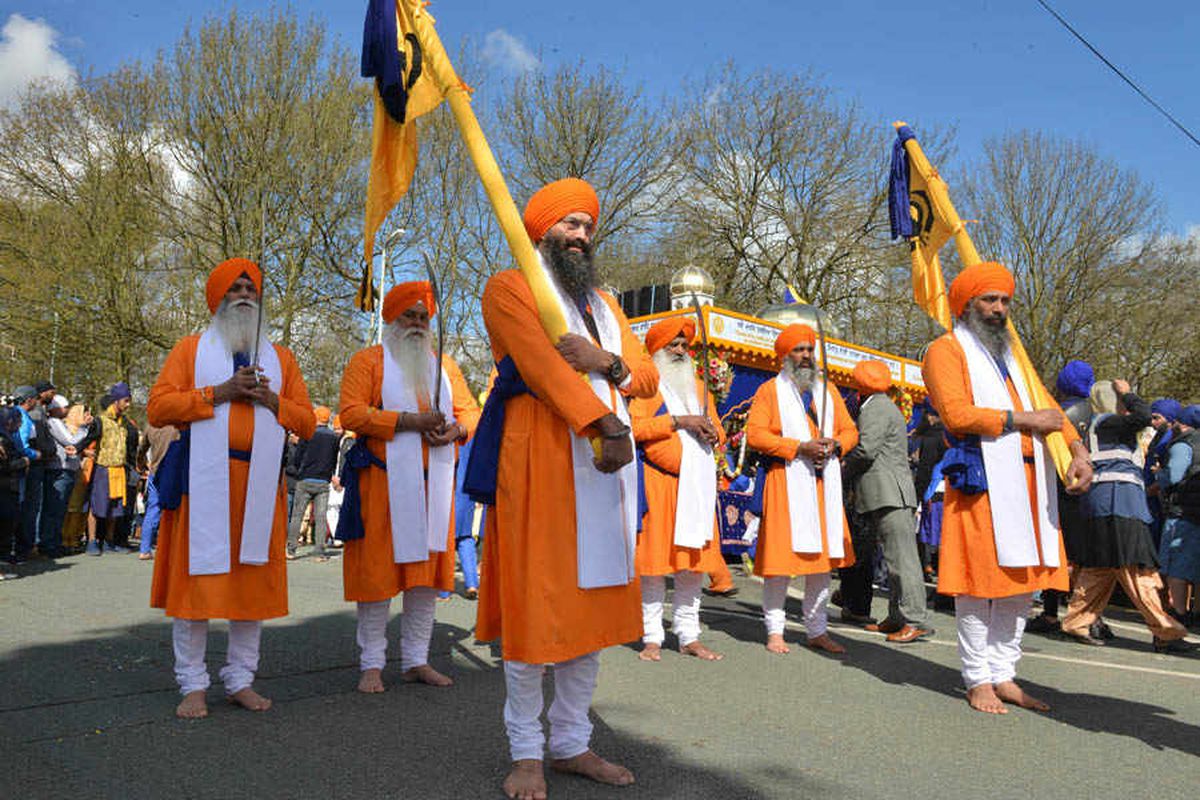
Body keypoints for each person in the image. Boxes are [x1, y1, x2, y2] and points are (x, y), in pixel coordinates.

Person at [473, 178, 657, 799]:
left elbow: (647, 373)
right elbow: (540, 365)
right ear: (540, 230)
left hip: (610, 465)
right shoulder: (509, 286)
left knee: (592, 609)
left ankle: (572, 743)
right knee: (537, 605)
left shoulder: (605, 304)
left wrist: (607, 363)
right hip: (540, 459)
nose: (581, 235)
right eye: (569, 225)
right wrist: (603, 421)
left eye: (587, 225)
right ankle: (526, 752)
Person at [921, 261, 1092, 715]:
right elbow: (956, 414)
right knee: (979, 585)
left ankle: (1004, 674)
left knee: (1022, 584)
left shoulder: (1015, 357)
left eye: (1004, 301)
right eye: (989, 300)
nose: (999, 309)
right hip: (983, 481)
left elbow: (1049, 407)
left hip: (1034, 487)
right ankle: (977, 679)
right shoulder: (945, 350)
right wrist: (1024, 421)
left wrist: (1077, 451)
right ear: (966, 305)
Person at [147, 258, 315, 719]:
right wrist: (217, 393)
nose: (245, 293)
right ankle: (193, 684)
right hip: (202, 483)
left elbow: (308, 420)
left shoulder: (281, 359)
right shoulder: (190, 349)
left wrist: (272, 399)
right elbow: (158, 407)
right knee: (196, 588)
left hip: (258, 486)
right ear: (219, 300)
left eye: (252, 288)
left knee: (250, 590)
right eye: (236, 288)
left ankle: (240, 679)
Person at [337, 281, 480, 692]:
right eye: (409, 316)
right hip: (381, 483)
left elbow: (470, 409)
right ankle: (371, 664)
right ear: (392, 320)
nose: (417, 323)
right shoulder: (369, 361)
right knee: (378, 578)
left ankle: (417, 659)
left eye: (423, 317)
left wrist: (456, 429)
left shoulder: (445, 366)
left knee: (424, 578)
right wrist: (405, 421)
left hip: (434, 485)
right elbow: (350, 413)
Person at [745, 323, 858, 656]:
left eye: (809, 349)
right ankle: (775, 631)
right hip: (786, 482)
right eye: (799, 350)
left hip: (825, 484)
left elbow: (851, 431)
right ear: (785, 356)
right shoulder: (769, 390)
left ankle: (817, 630)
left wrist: (836, 444)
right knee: (780, 564)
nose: (806, 356)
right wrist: (798, 447)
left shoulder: (829, 390)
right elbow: (756, 435)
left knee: (822, 566)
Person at [1058, 380, 1187, 651]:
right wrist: (1128, 392)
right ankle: (1166, 631)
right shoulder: (1109, 423)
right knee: (1138, 568)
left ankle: (1076, 621)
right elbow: (1143, 416)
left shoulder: (1097, 426)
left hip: (1104, 503)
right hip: (1119, 503)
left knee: (1100, 569)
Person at [630, 317, 725, 662]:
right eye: (674, 345)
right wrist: (680, 422)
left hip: (696, 485)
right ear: (657, 350)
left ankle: (689, 636)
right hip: (659, 485)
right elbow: (634, 428)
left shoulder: (699, 388)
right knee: (655, 566)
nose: (681, 351)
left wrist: (715, 434)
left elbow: (718, 429)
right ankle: (652, 636)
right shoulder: (647, 386)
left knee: (692, 567)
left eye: (685, 346)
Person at [842, 360, 932, 642]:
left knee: (902, 560)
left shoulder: (875, 408)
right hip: (888, 493)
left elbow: (866, 450)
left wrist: (843, 465)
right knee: (894, 559)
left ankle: (915, 619)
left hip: (889, 493)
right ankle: (896, 617)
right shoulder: (882, 405)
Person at [1158, 404, 1200, 626]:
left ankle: (1178, 613)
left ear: (1181, 423)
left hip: (1182, 512)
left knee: (1177, 568)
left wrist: (1159, 475)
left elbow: (1173, 476)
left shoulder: (1183, 445)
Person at [286, 406, 341, 560]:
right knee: (321, 517)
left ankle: (291, 550)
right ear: (328, 419)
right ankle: (319, 553)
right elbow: (333, 457)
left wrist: (299, 470)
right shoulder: (334, 438)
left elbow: (298, 457)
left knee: (297, 515)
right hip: (323, 481)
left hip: (305, 479)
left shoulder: (307, 433)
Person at [86, 383, 134, 555]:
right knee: (97, 504)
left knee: (116, 507)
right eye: (126, 401)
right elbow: (89, 438)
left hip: (119, 469)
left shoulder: (124, 423)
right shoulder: (101, 420)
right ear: (116, 400)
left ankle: (108, 540)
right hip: (103, 468)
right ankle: (92, 541)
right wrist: (76, 448)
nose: (128, 405)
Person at [40, 395, 91, 559]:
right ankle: (49, 544)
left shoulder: (59, 423)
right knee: (55, 509)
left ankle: (55, 542)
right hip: (59, 469)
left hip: (66, 469)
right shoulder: (54, 423)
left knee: (59, 509)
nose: (67, 410)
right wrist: (84, 428)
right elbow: (70, 440)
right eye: (64, 407)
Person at [137, 422, 179, 560]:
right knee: (175, 511)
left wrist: (141, 463)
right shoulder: (178, 424)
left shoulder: (152, 425)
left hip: (155, 471)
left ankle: (144, 549)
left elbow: (142, 449)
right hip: (173, 471)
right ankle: (172, 549)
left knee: (152, 509)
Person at [12, 387, 42, 562]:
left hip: (20, 467)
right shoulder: (22, 417)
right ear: (29, 400)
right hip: (21, 468)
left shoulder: (19, 415)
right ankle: (18, 549)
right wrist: (34, 454)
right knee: (21, 507)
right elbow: (21, 445)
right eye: (34, 399)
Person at [0, 406, 31, 573]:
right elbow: (4, 466)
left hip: (9, 487)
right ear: (10, 421)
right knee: (5, 526)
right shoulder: (3, 439)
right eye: (18, 421)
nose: (20, 425)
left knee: (8, 525)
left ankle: (5, 560)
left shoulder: (8, 437)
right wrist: (24, 462)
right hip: (5, 487)